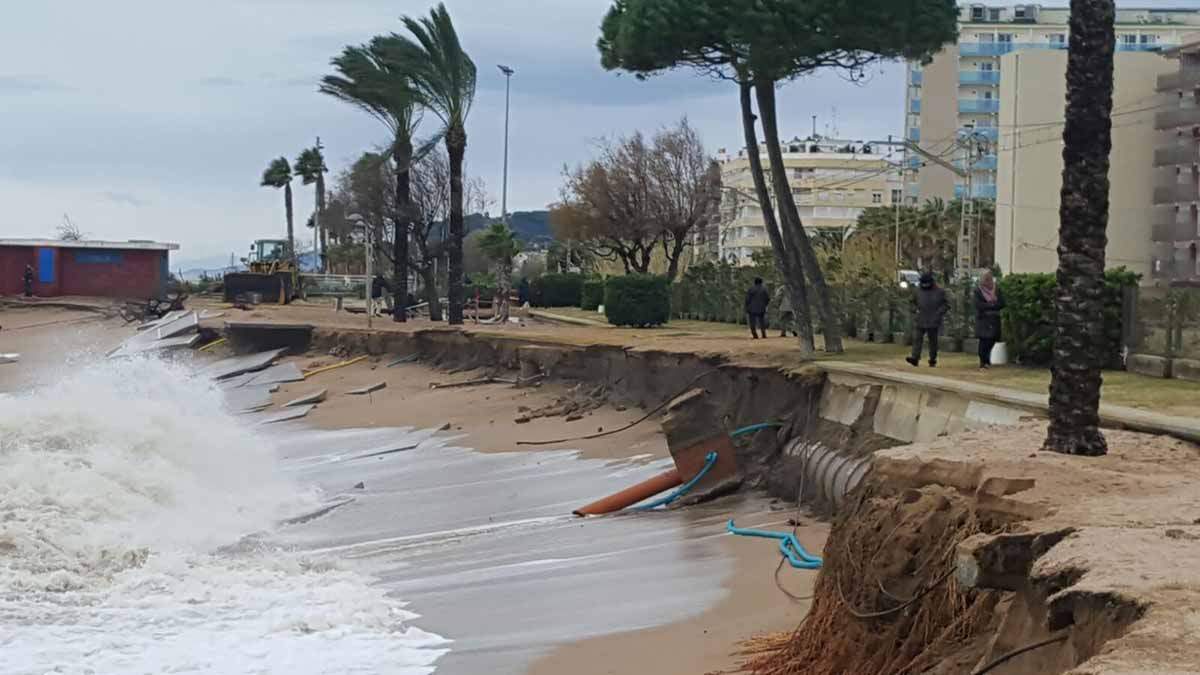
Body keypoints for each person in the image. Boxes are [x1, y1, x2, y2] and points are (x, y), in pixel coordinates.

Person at [906, 271, 949, 367]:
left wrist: (939, 313)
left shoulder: (939, 291)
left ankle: (932, 359)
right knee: (917, 339)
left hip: (934, 319)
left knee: (933, 341)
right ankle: (915, 357)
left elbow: (946, 304)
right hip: (921, 317)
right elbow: (911, 302)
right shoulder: (917, 291)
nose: (925, 285)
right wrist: (915, 310)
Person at [974, 271, 1005, 369]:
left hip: (994, 318)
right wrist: (992, 305)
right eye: (985, 279)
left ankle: (987, 359)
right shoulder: (978, 291)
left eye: (989, 279)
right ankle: (983, 362)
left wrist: (991, 305)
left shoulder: (997, 289)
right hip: (983, 319)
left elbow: (1002, 303)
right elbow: (978, 305)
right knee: (984, 340)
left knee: (992, 339)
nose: (988, 282)